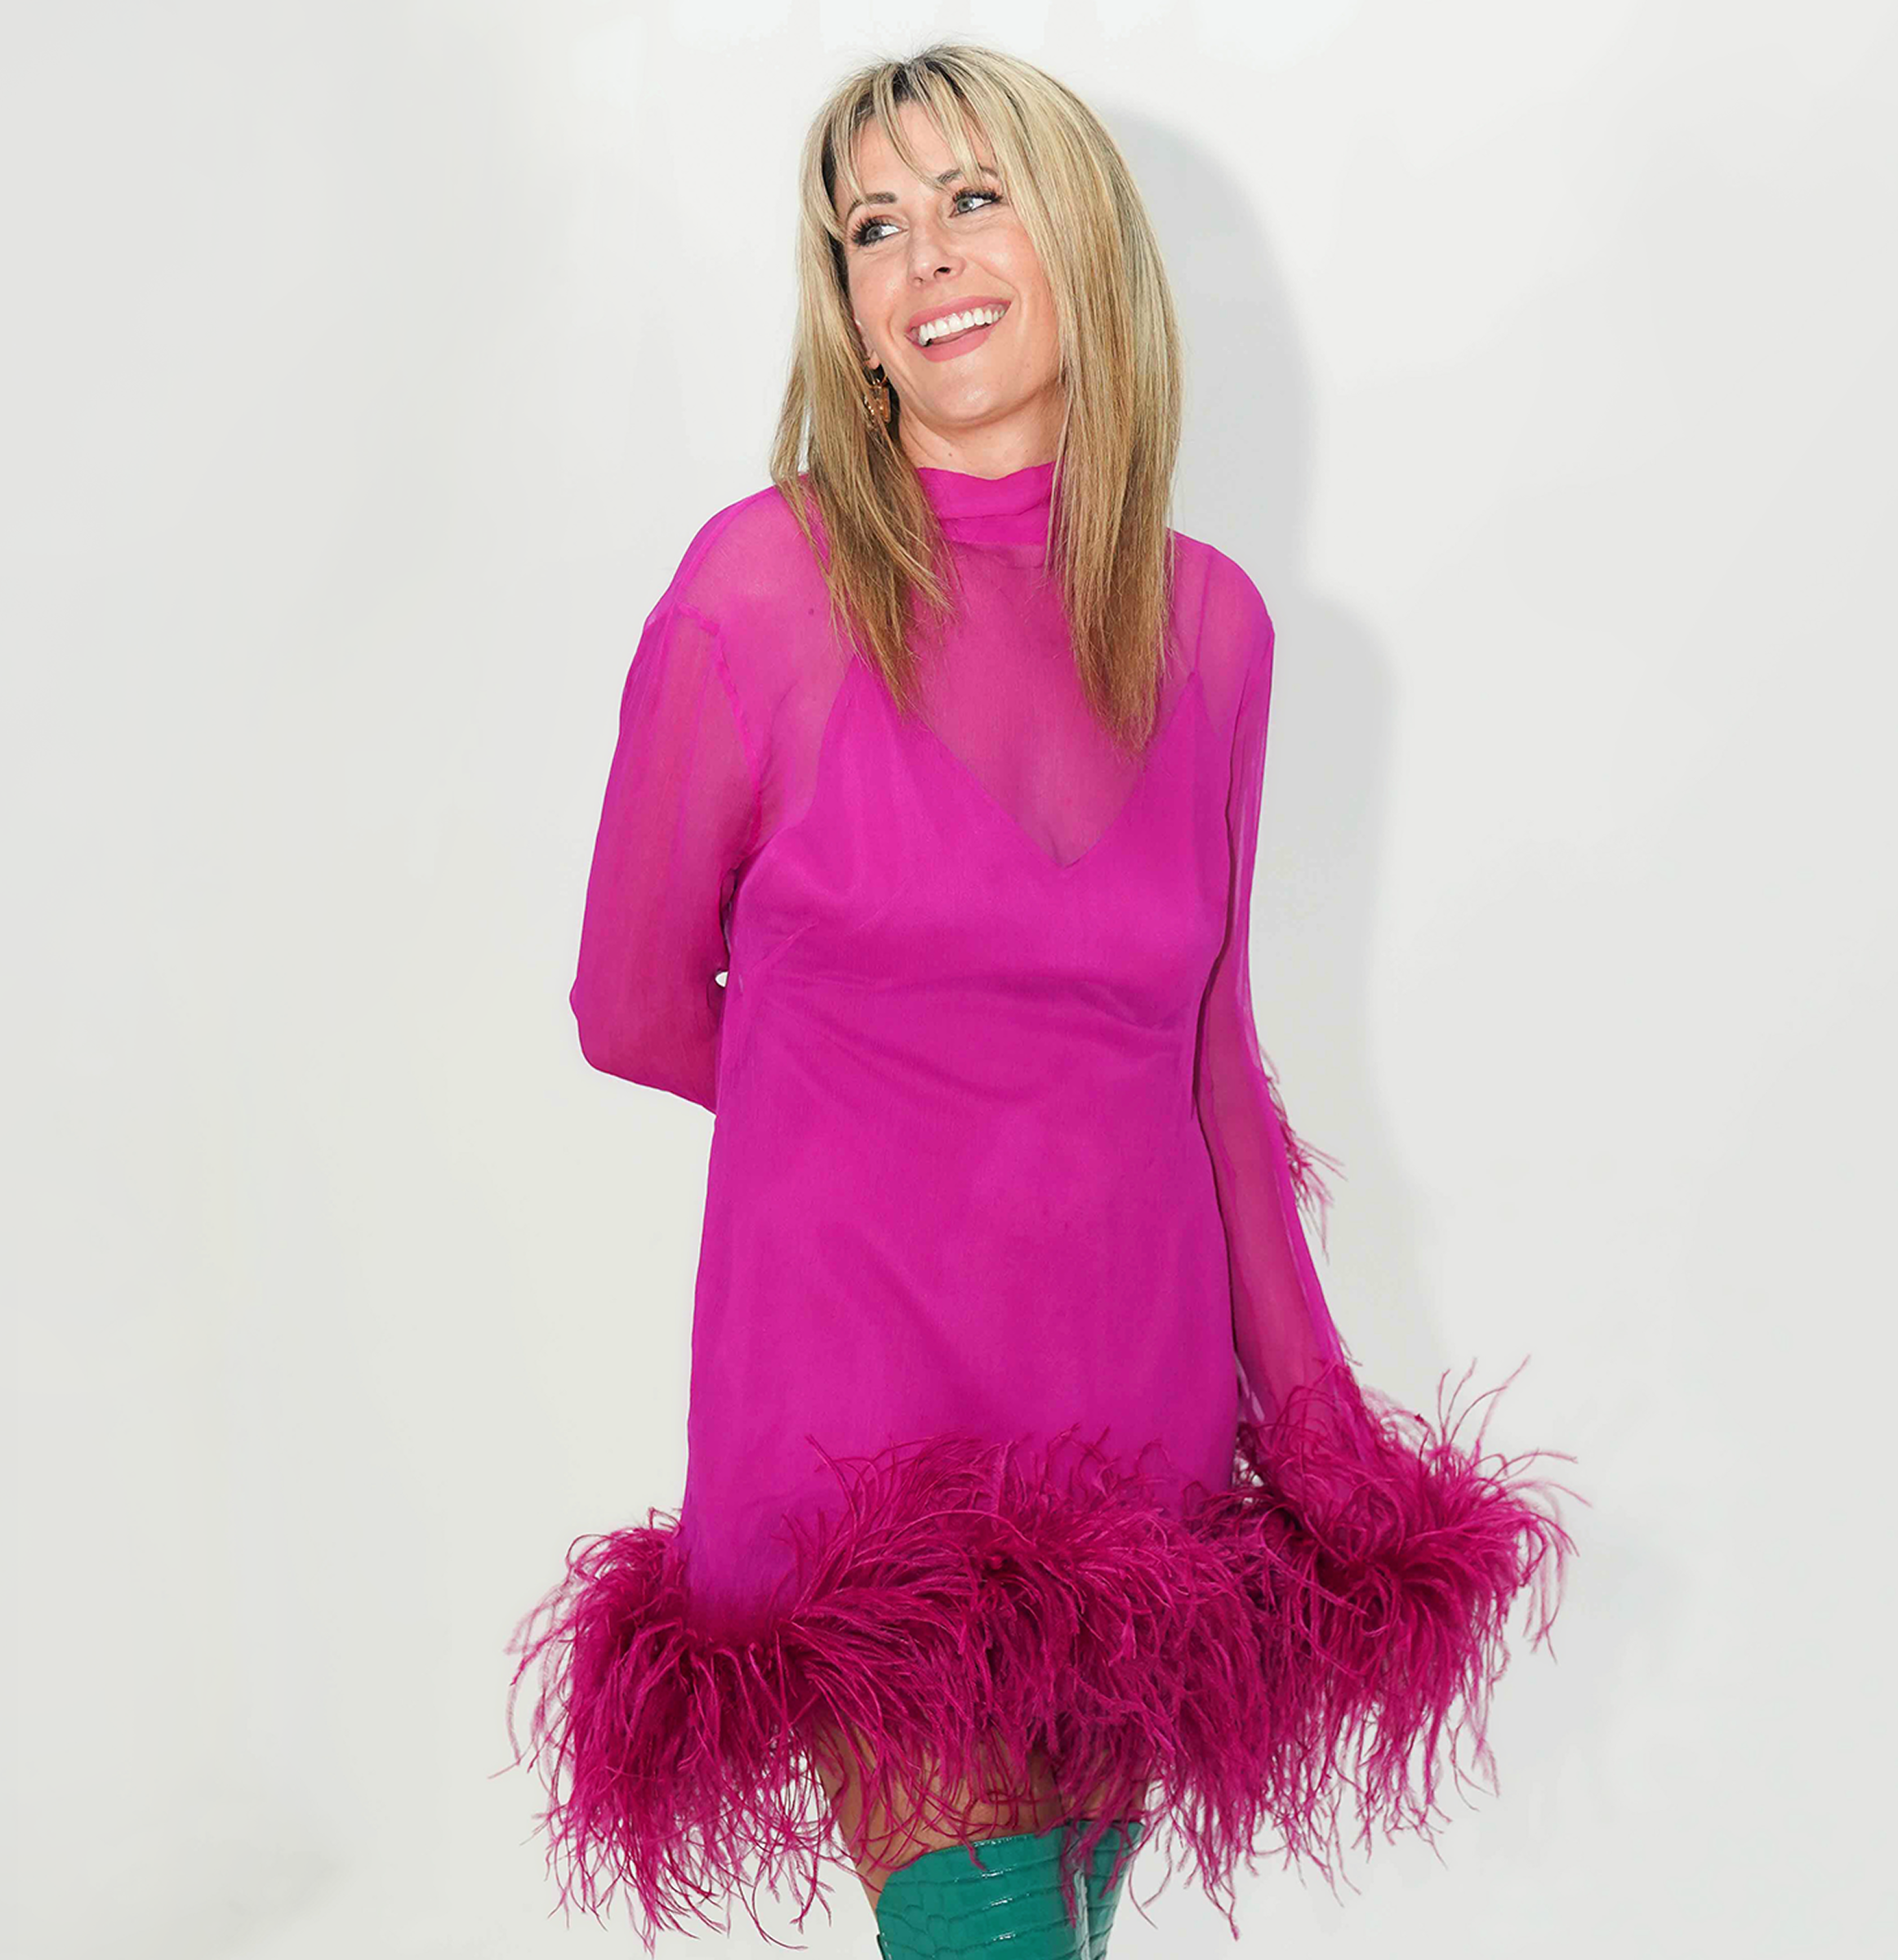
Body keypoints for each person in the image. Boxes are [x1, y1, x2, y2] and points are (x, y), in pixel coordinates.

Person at [518, 46, 1565, 1958]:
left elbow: (1209, 1068)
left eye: (972, 198)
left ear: (1080, 238)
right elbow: (632, 1002)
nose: (924, 257)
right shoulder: (761, 591)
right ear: (848, 310)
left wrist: (1324, 1447)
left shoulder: (1216, 627)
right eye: (872, 229)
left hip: (1132, 1434)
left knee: (1054, 1931)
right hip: (863, 1445)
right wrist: (893, 1114)